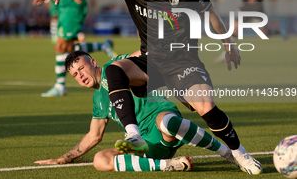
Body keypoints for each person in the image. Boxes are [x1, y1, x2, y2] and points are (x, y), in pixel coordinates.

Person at [40, 0, 262, 174]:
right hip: (151, 60)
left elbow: (211, 13)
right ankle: (133, 134)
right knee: (113, 70)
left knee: (207, 108)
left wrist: (228, 43)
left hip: (183, 62)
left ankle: (239, 153)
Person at [34, 50, 240, 172]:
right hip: (145, 145)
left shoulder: (115, 67)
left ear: (93, 63)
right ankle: (168, 164)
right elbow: (93, 135)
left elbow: (140, 53)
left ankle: (227, 152)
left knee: (168, 123)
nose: (80, 76)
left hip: (162, 119)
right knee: (100, 160)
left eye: (81, 68)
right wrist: (64, 158)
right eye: (75, 75)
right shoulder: (98, 101)